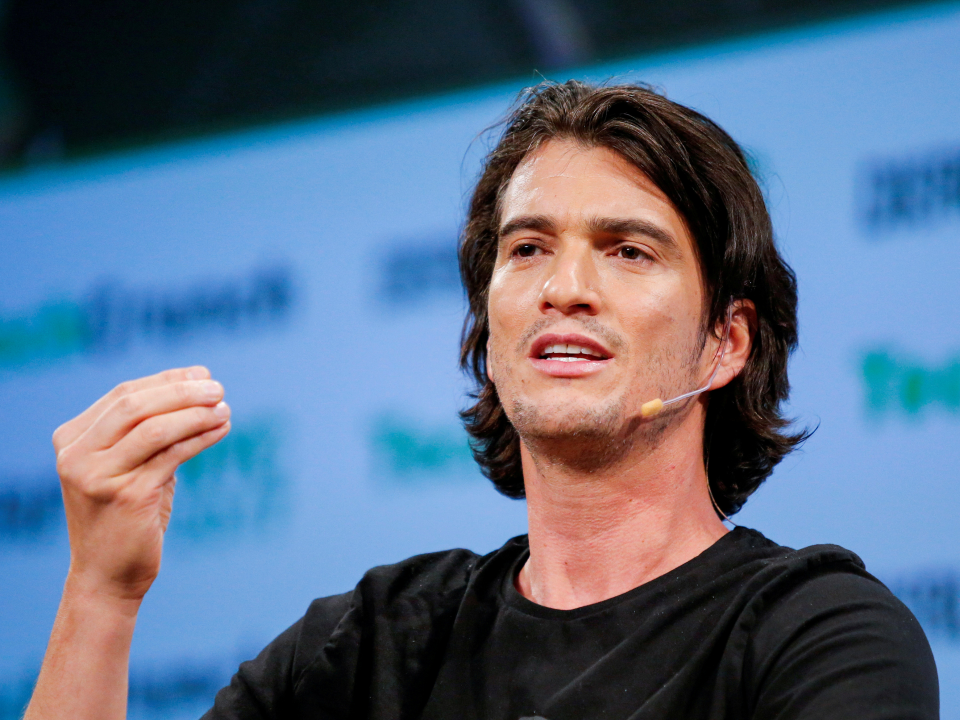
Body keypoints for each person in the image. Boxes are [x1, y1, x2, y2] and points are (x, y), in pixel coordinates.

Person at [25, 81, 938, 720]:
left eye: (628, 251)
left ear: (726, 342)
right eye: (528, 248)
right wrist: (103, 594)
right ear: (489, 328)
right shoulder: (368, 648)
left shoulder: (818, 635)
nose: (564, 287)